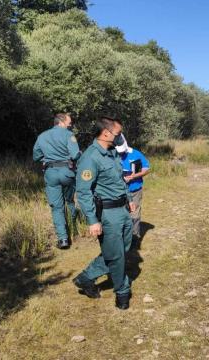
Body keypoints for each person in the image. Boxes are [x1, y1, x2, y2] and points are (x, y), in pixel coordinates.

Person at [72, 116, 134, 310]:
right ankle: (122, 292)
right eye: (118, 133)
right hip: (107, 214)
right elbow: (83, 192)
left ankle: (85, 277)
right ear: (106, 133)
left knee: (119, 251)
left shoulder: (113, 153)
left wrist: (129, 200)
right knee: (116, 257)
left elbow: (120, 180)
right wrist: (92, 220)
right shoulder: (90, 157)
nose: (120, 137)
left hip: (122, 209)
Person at [32, 113, 80, 249]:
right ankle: (74, 230)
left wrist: (48, 156)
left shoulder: (42, 136)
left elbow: (36, 156)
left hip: (50, 173)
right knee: (70, 201)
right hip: (67, 172)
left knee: (56, 207)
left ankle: (63, 239)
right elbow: (75, 154)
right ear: (61, 122)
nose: (70, 125)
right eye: (69, 122)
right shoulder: (68, 135)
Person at [115, 136, 150, 240]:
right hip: (118, 191)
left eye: (122, 152)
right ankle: (121, 236)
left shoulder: (136, 154)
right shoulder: (112, 154)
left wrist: (134, 176)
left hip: (135, 190)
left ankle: (135, 237)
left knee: (134, 213)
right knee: (120, 214)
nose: (120, 154)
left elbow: (146, 168)